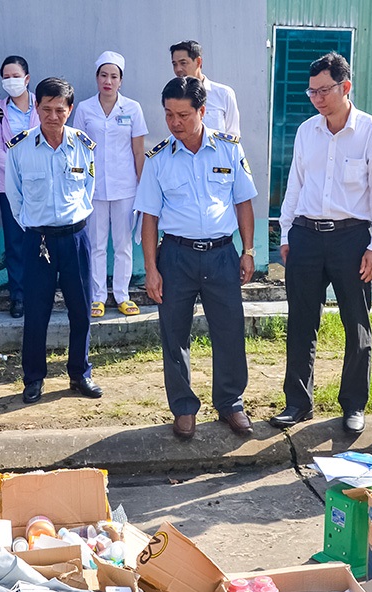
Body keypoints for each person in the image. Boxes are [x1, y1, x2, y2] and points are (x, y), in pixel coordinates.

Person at [270, 53, 372, 436]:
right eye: (312, 91)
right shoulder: (308, 131)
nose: (318, 98)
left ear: (346, 87)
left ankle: (353, 404)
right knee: (301, 322)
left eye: (324, 90)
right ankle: (298, 402)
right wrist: (287, 232)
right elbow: (296, 184)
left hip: (351, 240)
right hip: (306, 236)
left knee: (356, 323)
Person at [134, 76, 257, 441]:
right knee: (174, 335)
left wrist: (248, 250)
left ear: (202, 111)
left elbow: (244, 202)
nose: (175, 122)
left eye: (183, 115)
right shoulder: (158, 159)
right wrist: (151, 269)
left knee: (229, 330)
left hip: (221, 255)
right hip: (176, 257)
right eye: (169, 114)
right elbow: (149, 219)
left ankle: (230, 402)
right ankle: (184, 408)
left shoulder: (229, 149)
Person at [5, 77, 104, 404]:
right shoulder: (20, 149)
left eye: (59, 109)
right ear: (36, 108)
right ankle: (33, 378)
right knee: (36, 313)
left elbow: (89, 189)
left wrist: (71, 221)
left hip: (75, 239)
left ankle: (80, 374)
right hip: (39, 242)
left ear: (70, 110)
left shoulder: (83, 145)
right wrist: (36, 228)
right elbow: (15, 198)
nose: (52, 116)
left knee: (81, 311)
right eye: (45, 109)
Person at [72, 51, 149, 318]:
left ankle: (122, 295)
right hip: (93, 188)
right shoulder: (84, 108)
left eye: (113, 76)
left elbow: (139, 151)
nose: (108, 80)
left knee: (123, 243)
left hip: (126, 187)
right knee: (96, 243)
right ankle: (98, 296)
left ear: (121, 80)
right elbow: (77, 150)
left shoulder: (132, 108)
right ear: (96, 78)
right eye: (104, 75)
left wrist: (143, 187)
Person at [0, 56, 40, 319]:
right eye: (6, 77)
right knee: (15, 241)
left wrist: (31, 171)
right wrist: (17, 171)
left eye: (15, 76)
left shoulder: (40, 105)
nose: (11, 81)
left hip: (39, 183)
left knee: (40, 238)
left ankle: (39, 293)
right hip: (8, 185)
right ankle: (17, 296)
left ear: (27, 79)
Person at [169, 40, 240, 136]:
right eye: (174, 64)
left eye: (183, 63)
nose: (178, 69)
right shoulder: (173, 96)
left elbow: (233, 135)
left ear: (198, 62)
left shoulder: (224, 94)